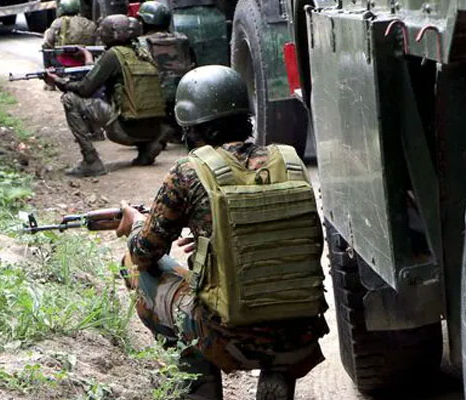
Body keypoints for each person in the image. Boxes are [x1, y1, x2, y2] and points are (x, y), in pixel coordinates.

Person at [115, 66, 328, 400]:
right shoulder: (289, 162)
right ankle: (279, 372)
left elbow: (145, 252)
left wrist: (135, 224)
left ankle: (199, 383)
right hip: (297, 332)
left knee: (135, 267)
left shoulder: (187, 172)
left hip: (228, 337)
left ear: (194, 128)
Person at [44, 14, 168, 177]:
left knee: (70, 99)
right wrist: (89, 59)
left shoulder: (113, 55)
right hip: (153, 128)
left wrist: (59, 81)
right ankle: (147, 146)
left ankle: (91, 160)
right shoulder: (142, 52)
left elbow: (85, 89)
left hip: (124, 131)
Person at [135, 1, 194, 142]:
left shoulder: (140, 43)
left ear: (146, 21)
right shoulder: (182, 39)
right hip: (184, 91)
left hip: (156, 96)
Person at [42, 0, 97, 89]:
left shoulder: (58, 22)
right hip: (85, 61)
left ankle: (49, 80)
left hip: (63, 62)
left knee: (45, 48)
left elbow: (49, 42)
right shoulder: (89, 23)